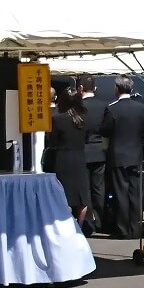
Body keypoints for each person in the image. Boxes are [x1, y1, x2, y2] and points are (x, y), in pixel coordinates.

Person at [100, 75, 144, 240]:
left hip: (118, 155)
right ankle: (136, 228)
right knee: (136, 193)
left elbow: (105, 130)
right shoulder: (140, 108)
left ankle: (122, 229)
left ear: (117, 89)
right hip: (136, 154)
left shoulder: (112, 108)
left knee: (121, 192)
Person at [50, 87, 90, 232]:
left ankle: (65, 230)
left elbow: (52, 141)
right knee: (81, 199)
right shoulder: (85, 118)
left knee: (63, 196)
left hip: (62, 159)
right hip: (80, 158)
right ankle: (78, 229)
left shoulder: (57, 119)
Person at [78, 74, 108, 236]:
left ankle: (87, 222)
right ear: (95, 88)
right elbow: (107, 128)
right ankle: (100, 220)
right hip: (98, 150)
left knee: (84, 189)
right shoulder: (104, 105)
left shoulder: (77, 106)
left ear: (81, 88)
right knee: (98, 188)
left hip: (81, 151)